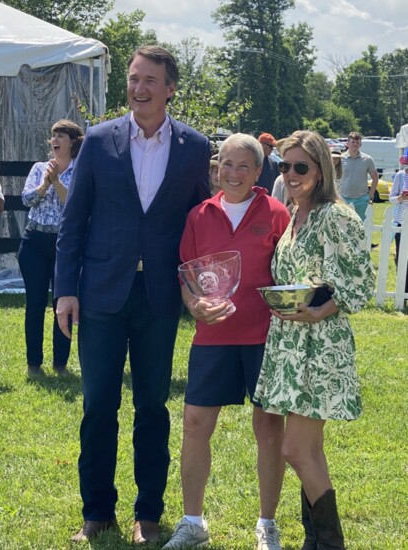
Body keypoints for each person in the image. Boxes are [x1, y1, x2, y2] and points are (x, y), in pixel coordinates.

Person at [54, 46, 211, 544]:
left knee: (152, 407)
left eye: (150, 81)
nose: (138, 88)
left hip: (158, 297)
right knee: (98, 404)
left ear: (170, 88)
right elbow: (73, 223)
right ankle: (96, 511)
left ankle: (148, 513)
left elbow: (197, 228)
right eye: (133, 78)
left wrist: (201, 288)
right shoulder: (99, 141)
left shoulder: (193, 147)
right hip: (99, 294)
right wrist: (65, 292)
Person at [162, 134, 291, 550]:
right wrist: (194, 304)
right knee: (196, 425)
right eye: (225, 165)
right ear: (215, 169)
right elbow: (187, 275)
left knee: (268, 426)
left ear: (258, 172)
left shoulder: (276, 214)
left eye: (242, 166)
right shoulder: (199, 215)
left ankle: (267, 524)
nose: (232, 174)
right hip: (212, 338)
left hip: (264, 338)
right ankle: (193, 522)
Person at [254, 130, 375, 549]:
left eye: (300, 167)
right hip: (291, 346)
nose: (290, 174)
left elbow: (361, 282)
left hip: (321, 346)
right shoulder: (294, 215)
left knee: (295, 449)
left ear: (322, 170)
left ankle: (330, 543)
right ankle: (315, 541)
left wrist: (323, 308)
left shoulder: (335, 215)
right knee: (312, 451)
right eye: (285, 166)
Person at [17, 119, 84, 377]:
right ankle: (34, 364)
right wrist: (45, 182)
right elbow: (27, 199)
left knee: (63, 302)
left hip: (63, 245)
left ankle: (60, 363)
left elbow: (74, 205)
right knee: (35, 304)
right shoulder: (38, 168)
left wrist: (57, 181)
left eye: (61, 135)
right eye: (53, 136)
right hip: (34, 242)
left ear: (72, 142)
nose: (55, 140)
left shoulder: (80, 170)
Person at [341, 131, 378, 220]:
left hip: (362, 199)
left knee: (361, 226)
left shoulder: (367, 159)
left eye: (357, 142)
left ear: (360, 144)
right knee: (344, 225)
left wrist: (371, 194)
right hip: (344, 199)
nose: (355, 144)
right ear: (347, 143)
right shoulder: (341, 159)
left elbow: (375, 177)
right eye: (353, 142)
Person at [389, 155, 408, 296]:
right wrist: (401, 198)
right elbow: (391, 199)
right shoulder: (400, 176)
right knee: (401, 257)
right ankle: (403, 291)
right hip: (401, 222)